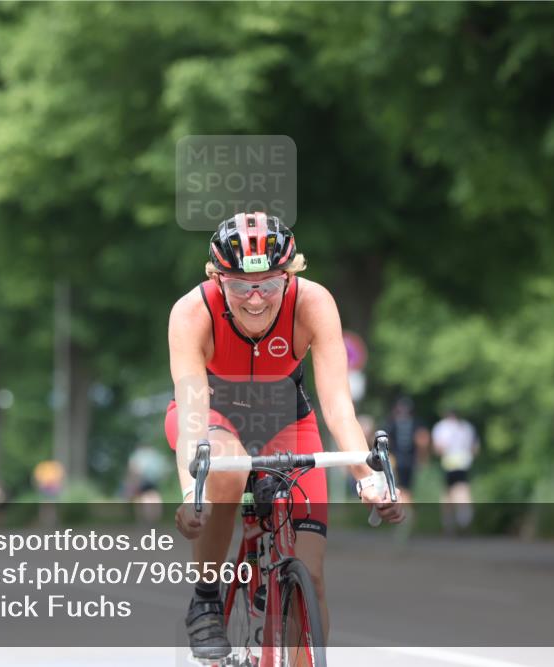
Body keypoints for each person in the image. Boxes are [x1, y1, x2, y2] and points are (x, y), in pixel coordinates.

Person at [165, 212, 404, 660]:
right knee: (226, 471)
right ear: (218, 279)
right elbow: (194, 416)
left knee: (311, 575)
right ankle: (206, 597)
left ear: (290, 276)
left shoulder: (313, 303)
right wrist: (189, 492)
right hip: (215, 418)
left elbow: (336, 405)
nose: (255, 300)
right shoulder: (191, 312)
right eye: (239, 286)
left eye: (270, 285)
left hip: (287, 422)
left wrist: (366, 477)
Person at [431, 407, 479, 533]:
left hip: (449, 463)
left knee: (448, 493)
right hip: (463, 462)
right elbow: (475, 447)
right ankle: (461, 517)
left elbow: (438, 448)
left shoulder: (441, 427)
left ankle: (450, 522)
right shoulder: (467, 427)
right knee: (461, 489)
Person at [382, 396, 430, 505]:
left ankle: (405, 512)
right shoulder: (417, 423)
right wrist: (422, 458)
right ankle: (407, 511)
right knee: (406, 487)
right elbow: (423, 441)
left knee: (400, 487)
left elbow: (385, 441)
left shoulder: (391, 423)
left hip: (397, 459)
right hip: (410, 460)